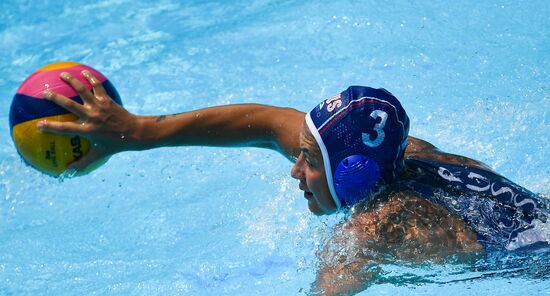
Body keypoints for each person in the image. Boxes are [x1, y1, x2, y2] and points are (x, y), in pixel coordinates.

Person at [39, 71, 549, 295]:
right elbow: (262, 120)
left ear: (352, 174)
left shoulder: (377, 230)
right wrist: (139, 133)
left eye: (307, 160)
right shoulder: (403, 153)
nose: (293, 170)